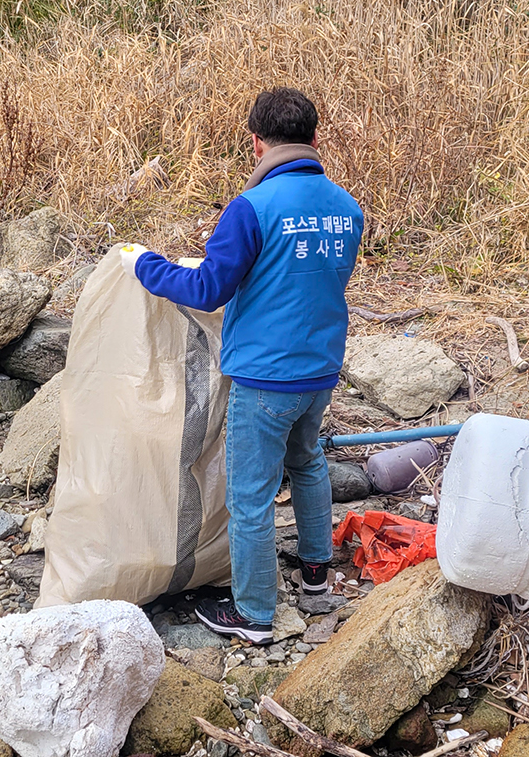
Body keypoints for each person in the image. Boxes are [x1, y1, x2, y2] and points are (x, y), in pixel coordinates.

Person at [122, 87, 364, 644]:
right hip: (320, 369)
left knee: (249, 496)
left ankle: (255, 613)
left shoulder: (250, 209)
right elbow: (322, 282)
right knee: (307, 465)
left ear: (256, 143)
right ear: (315, 138)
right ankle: (315, 581)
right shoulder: (346, 208)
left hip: (264, 378)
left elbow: (208, 288)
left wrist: (146, 266)